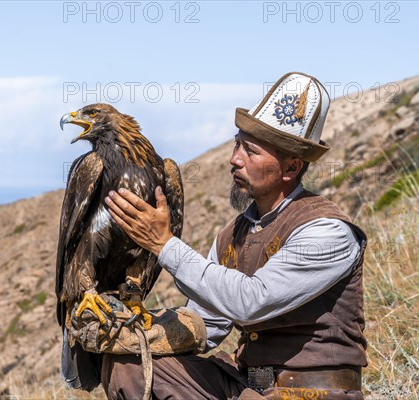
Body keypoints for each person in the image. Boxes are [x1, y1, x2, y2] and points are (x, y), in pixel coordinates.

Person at [103, 72, 368, 400]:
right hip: (246, 386)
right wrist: (133, 327)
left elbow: (251, 303)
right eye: (236, 144)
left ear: (291, 168)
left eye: (251, 151)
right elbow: (207, 324)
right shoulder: (232, 235)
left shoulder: (327, 232)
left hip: (313, 393)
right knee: (129, 366)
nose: (234, 159)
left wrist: (164, 244)